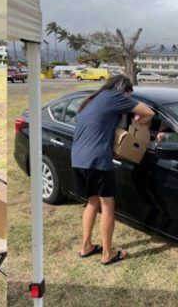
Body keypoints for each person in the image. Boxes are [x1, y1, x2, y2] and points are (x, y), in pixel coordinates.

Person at [71, 75, 154, 265]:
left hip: (78, 158)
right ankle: (108, 253)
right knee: (108, 205)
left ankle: (86, 246)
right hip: (98, 160)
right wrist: (139, 127)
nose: (128, 98)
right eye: (128, 94)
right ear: (122, 90)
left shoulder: (93, 99)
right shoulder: (114, 97)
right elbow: (148, 112)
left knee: (92, 202)